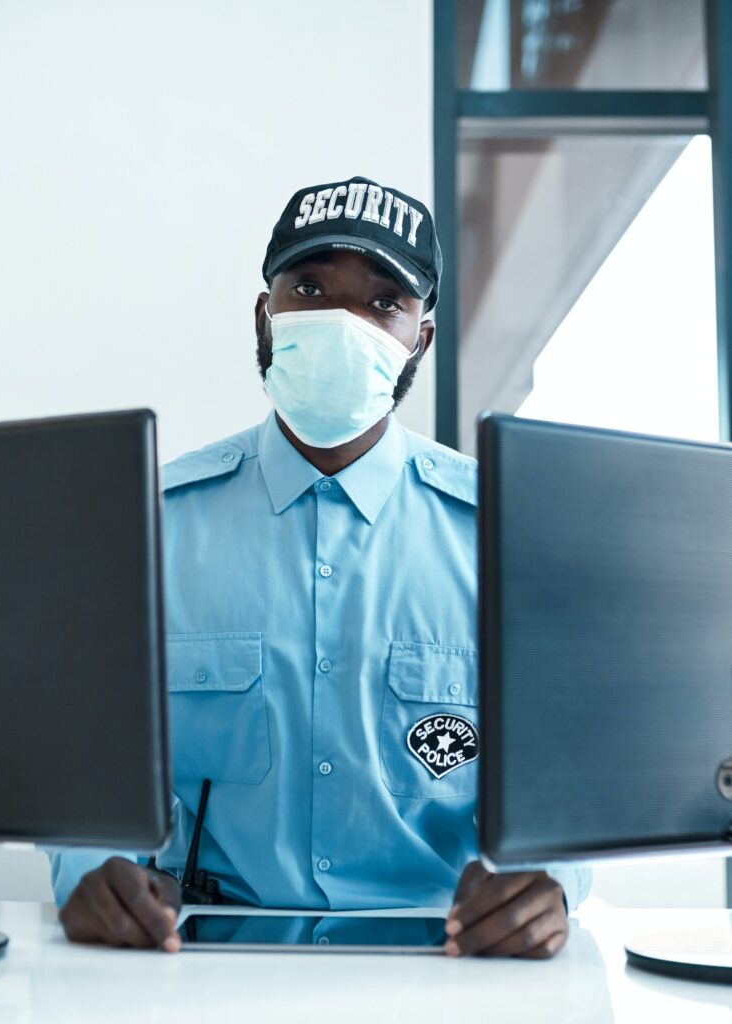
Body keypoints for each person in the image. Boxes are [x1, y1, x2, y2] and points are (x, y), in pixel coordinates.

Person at [49, 175, 591, 957]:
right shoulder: (149, 524)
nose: (342, 324)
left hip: (444, 972)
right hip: (196, 971)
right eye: (309, 287)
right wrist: (89, 872)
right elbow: (81, 760)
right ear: (265, 313)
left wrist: (550, 888)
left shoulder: (504, 533)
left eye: (381, 304)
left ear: (420, 339)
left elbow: (566, 781)